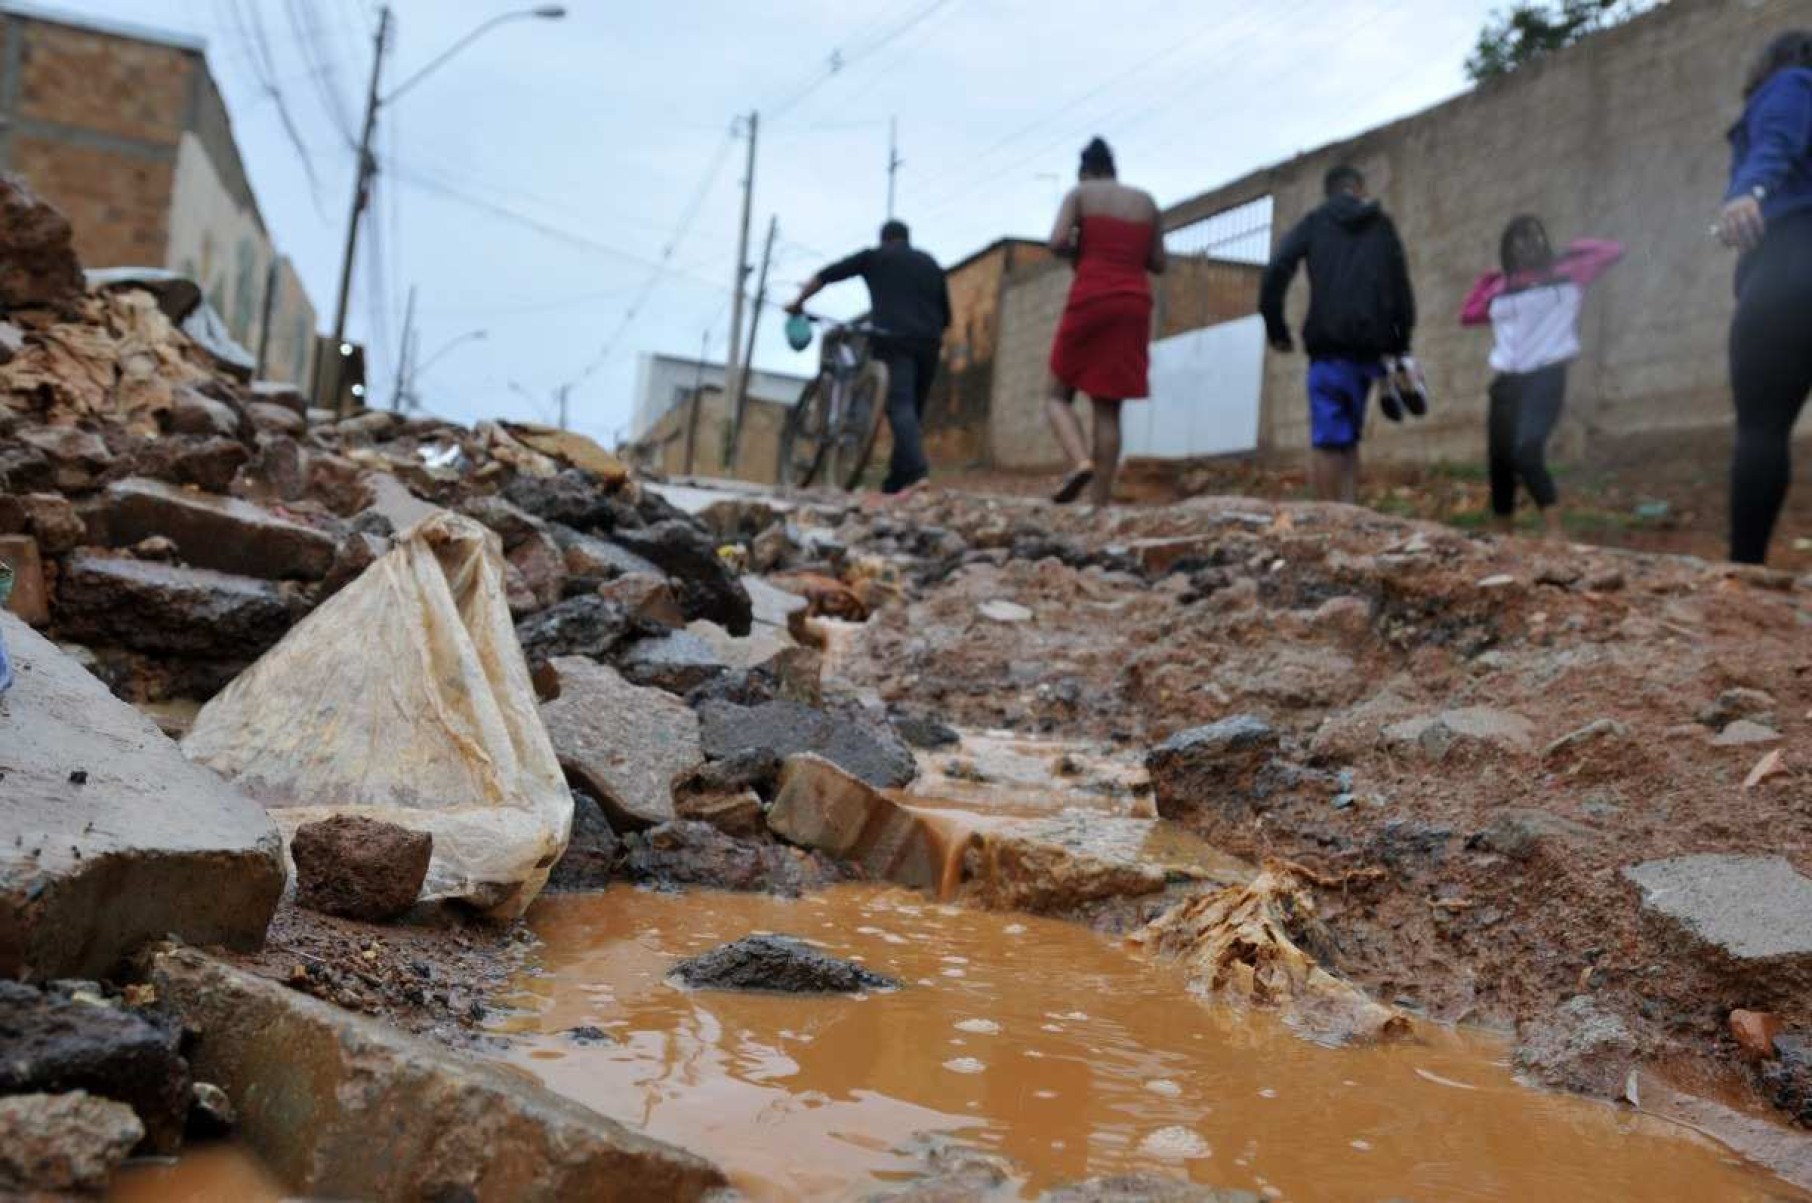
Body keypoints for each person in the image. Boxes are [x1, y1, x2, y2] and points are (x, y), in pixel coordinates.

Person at [1259, 164, 1417, 503]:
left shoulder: (1316, 223)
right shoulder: (1381, 225)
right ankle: (1349, 514)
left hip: (1328, 348)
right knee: (1349, 437)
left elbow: (1276, 270)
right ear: (1359, 188)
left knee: (1329, 438)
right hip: (1370, 350)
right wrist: (1401, 344)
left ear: (1329, 192)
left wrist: (1277, 327)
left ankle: (1331, 521)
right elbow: (1400, 286)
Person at [1461, 217, 1624, 538]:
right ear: (1508, 250)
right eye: (1518, 241)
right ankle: (1501, 534)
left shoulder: (1567, 274)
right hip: (1507, 381)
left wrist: (1571, 251)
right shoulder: (1501, 288)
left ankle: (1554, 530)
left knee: (1527, 448)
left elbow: (1614, 250)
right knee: (1501, 460)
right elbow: (1468, 315)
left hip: (1546, 377)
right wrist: (1487, 280)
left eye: (1533, 238)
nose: (1527, 247)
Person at [1716, 30, 1812, 565]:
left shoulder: (1791, 82)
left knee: (1761, 427)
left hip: (1790, 263)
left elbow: (1778, 138)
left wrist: (1749, 190)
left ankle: (1744, 573)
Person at [1044, 137, 1166, 506]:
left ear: (1084, 170)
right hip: (1133, 302)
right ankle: (1099, 504)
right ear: (1114, 168)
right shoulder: (1146, 202)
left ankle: (1080, 461)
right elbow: (1159, 262)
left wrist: (1080, 250)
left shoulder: (1080, 193)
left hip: (1092, 295)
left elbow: (1056, 241)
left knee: (1055, 394)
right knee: (1108, 406)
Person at [788, 220, 951, 494]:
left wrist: (798, 302)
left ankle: (918, 473)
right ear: (906, 239)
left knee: (900, 406)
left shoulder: (875, 257)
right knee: (912, 411)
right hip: (929, 343)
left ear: (884, 240)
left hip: (892, 339)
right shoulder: (930, 263)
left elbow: (827, 275)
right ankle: (897, 480)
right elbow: (947, 315)